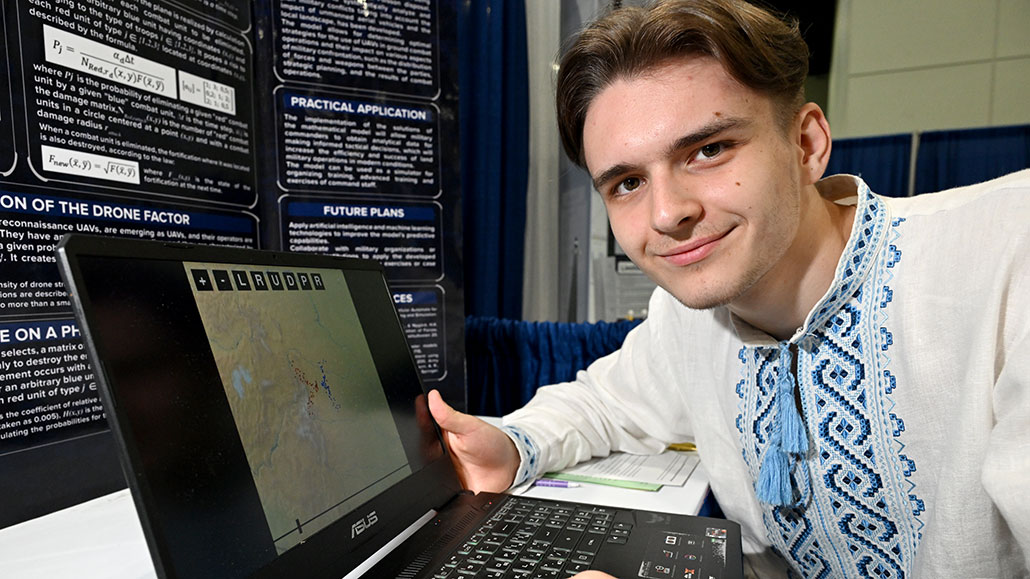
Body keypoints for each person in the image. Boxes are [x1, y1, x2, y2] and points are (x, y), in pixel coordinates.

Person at [429, 0, 1030, 576]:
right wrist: (513, 444)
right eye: (627, 183)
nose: (667, 214)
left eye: (708, 150)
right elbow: (604, 405)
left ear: (806, 144)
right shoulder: (689, 318)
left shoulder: (1007, 254)